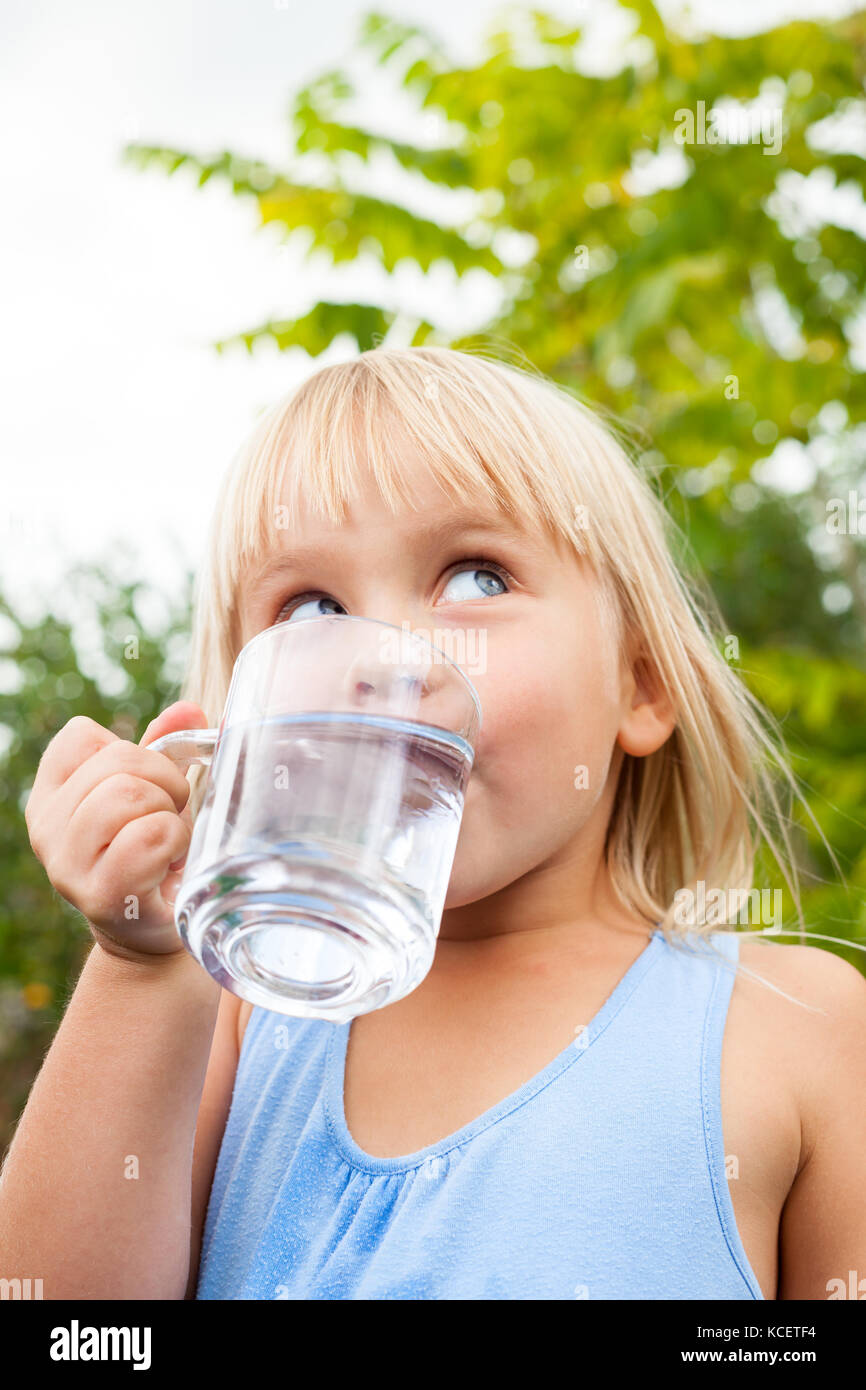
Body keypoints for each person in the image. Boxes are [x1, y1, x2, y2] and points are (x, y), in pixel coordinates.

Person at [4, 347, 865, 1299]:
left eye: (477, 579)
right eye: (313, 609)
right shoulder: (244, 1021)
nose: (392, 657)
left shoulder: (800, 1029)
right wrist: (139, 966)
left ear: (641, 682)